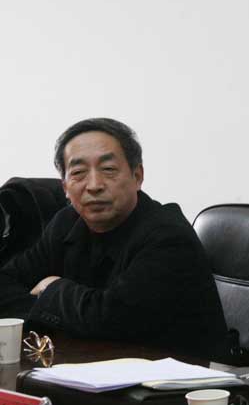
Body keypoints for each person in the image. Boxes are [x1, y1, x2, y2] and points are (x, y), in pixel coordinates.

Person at [0, 118, 227, 357]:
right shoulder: (66, 223)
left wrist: (51, 289)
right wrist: (53, 310)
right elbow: (4, 284)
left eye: (108, 169)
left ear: (137, 176)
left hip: (181, 374)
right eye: (78, 173)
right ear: (65, 187)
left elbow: (112, 320)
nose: (94, 185)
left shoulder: (169, 237)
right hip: (88, 367)